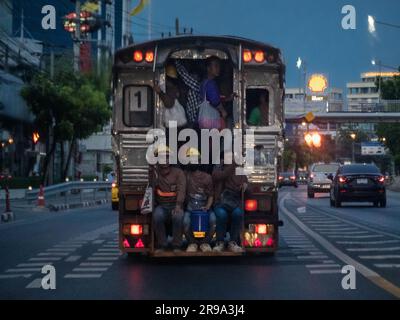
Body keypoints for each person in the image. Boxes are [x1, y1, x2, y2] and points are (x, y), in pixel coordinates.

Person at [151, 145, 186, 253]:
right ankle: (162, 245)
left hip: (175, 205)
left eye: (167, 157)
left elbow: (181, 190)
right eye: (161, 158)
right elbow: (150, 188)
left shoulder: (178, 173)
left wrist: (178, 205)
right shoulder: (155, 173)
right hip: (161, 206)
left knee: (178, 216)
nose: (164, 160)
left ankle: (177, 245)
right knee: (157, 216)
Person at [212, 152, 248, 253]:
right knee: (222, 215)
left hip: (234, 202)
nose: (230, 159)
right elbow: (218, 176)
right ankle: (220, 242)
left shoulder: (239, 170)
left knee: (238, 213)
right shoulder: (218, 168)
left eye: (231, 157)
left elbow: (246, 183)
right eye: (227, 157)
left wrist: (245, 185)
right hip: (220, 202)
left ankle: (233, 242)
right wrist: (232, 166)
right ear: (223, 158)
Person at [183, 148, 216, 253]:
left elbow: (211, 195)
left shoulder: (207, 177)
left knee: (213, 220)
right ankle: (192, 243)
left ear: (199, 161)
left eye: (195, 159)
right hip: (190, 209)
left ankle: (205, 243)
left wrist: (207, 207)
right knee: (185, 222)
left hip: (204, 209)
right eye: (190, 159)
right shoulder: (184, 176)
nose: (193, 161)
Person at [175, 60, 202, 128]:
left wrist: (176, 62)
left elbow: (185, 76)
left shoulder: (197, 86)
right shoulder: (191, 89)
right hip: (192, 121)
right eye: (192, 76)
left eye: (195, 77)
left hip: (195, 122)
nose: (193, 78)